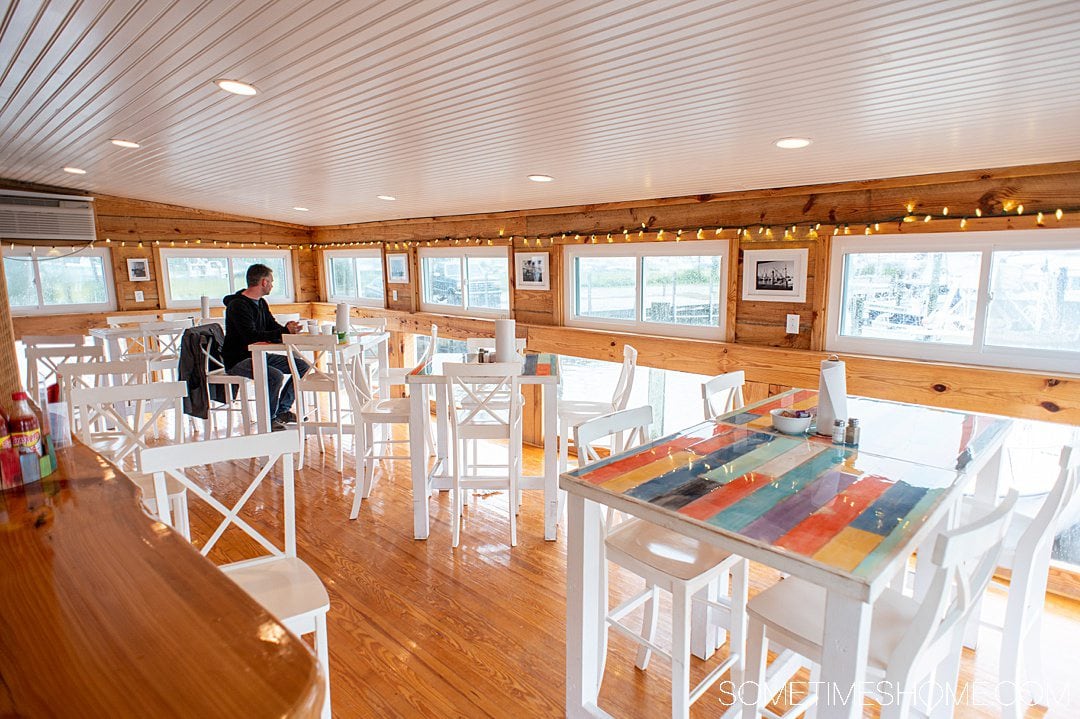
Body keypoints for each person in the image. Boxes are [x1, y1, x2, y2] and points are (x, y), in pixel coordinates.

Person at [222, 264, 309, 431]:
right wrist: (283, 331)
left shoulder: (261, 303)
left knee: (302, 366)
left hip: (260, 356)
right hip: (239, 359)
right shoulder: (237, 306)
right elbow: (251, 336)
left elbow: (271, 327)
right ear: (263, 282)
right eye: (271, 281)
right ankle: (269, 420)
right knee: (274, 376)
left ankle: (282, 411)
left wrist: (287, 329)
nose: (272, 285)